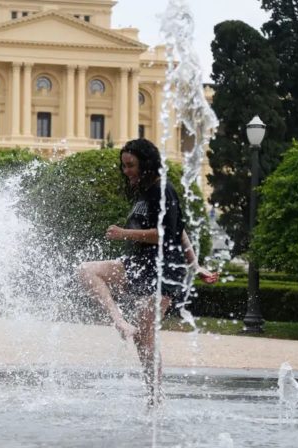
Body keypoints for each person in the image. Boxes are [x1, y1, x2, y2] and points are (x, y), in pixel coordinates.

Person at [77, 138, 218, 402]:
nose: (126, 171)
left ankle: (155, 398)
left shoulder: (163, 190)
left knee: (145, 336)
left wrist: (124, 233)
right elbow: (183, 230)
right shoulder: (144, 192)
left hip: (163, 271)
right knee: (87, 270)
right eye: (124, 166)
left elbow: (170, 234)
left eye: (130, 165)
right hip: (141, 264)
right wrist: (196, 265)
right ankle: (119, 320)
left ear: (146, 163)